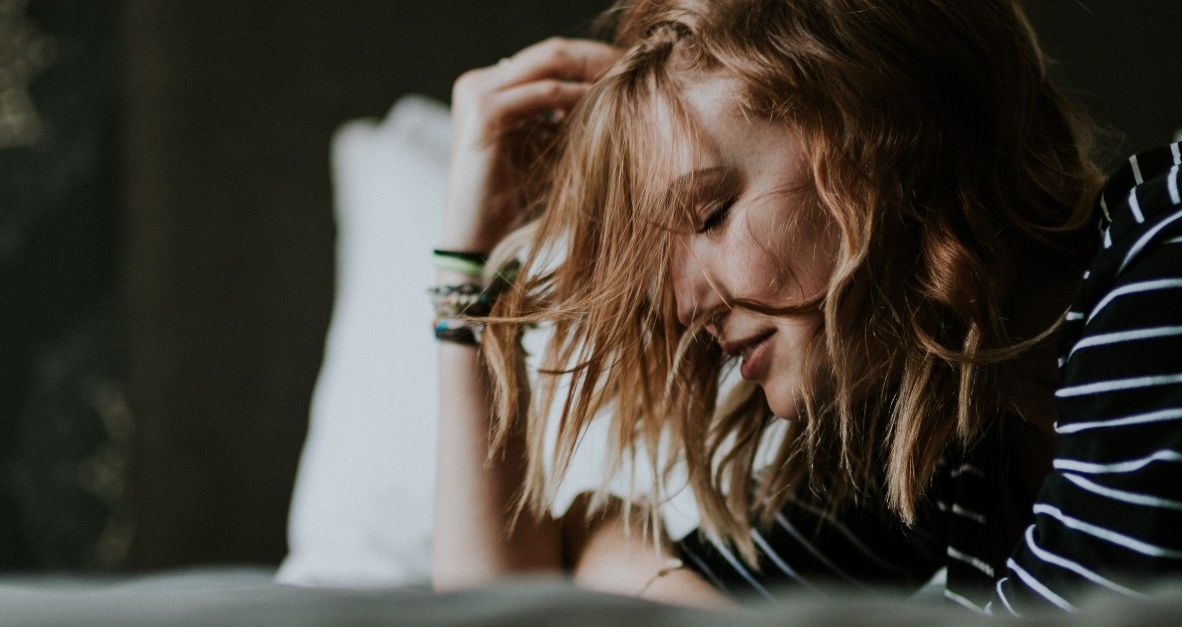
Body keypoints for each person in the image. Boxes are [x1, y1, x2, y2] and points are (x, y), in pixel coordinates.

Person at [430, 0, 1182, 614]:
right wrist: (469, 278)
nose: (682, 303)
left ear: (879, 129)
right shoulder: (951, 382)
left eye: (711, 213)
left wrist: (621, 557)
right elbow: (513, 604)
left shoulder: (1165, 263)